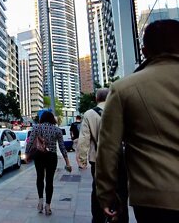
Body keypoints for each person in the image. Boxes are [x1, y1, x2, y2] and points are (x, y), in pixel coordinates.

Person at [96, 19, 179, 222]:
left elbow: (108, 149)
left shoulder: (124, 88)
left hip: (156, 200)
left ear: (144, 51)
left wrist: (106, 195)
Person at [76, 88, 128, 223]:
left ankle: (98, 218)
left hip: (98, 160)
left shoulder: (89, 114)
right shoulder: (121, 110)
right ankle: (120, 217)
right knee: (121, 190)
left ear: (96, 99)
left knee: (97, 190)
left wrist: (82, 160)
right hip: (119, 159)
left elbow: (83, 139)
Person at [25, 111, 71, 216]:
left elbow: (30, 141)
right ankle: (48, 206)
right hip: (51, 156)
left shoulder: (36, 128)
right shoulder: (57, 130)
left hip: (39, 155)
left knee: (39, 177)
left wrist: (27, 155)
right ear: (52, 119)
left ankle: (40, 201)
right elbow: (62, 147)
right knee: (49, 181)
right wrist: (67, 162)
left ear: (42, 118)